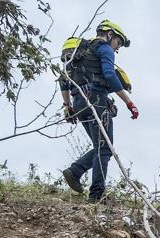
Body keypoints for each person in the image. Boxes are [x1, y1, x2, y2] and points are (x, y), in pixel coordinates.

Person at [60, 20, 139, 203]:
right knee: (104, 149)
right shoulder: (105, 49)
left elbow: (63, 80)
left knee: (100, 147)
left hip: (79, 103)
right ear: (110, 34)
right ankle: (96, 196)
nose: (117, 48)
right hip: (96, 101)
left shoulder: (79, 52)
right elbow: (110, 76)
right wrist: (129, 103)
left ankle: (75, 172)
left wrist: (68, 107)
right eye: (118, 42)